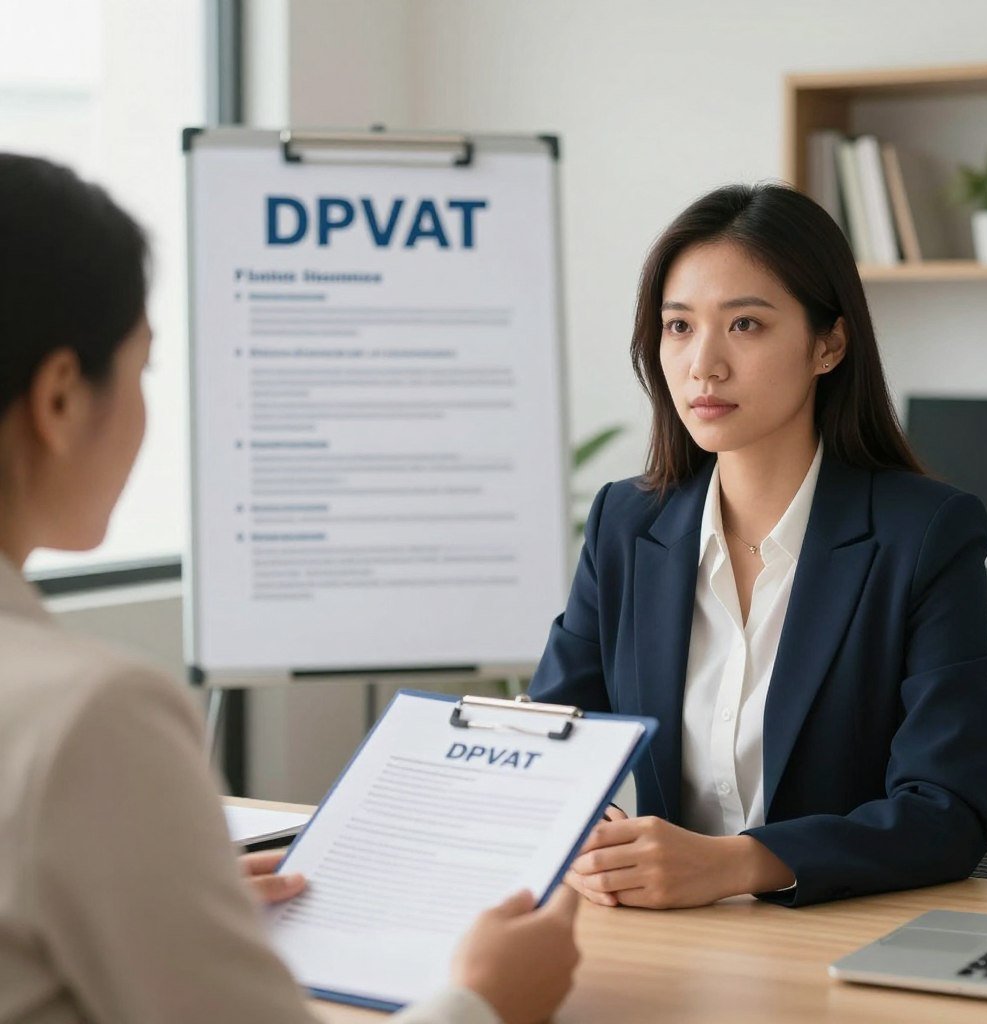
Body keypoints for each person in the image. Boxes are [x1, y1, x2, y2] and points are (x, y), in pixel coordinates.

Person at [0, 152, 579, 1024]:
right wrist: (487, 1000)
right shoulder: (92, 717)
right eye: (146, 369)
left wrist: (168, 895)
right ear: (59, 399)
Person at [529, 182, 987, 910]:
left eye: (744, 325)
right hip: (653, 933)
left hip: (831, 937)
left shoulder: (925, 534)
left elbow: (945, 813)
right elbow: (553, 746)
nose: (703, 366)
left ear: (828, 343)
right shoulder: (627, 523)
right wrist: (602, 839)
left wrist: (736, 864)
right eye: (679, 326)